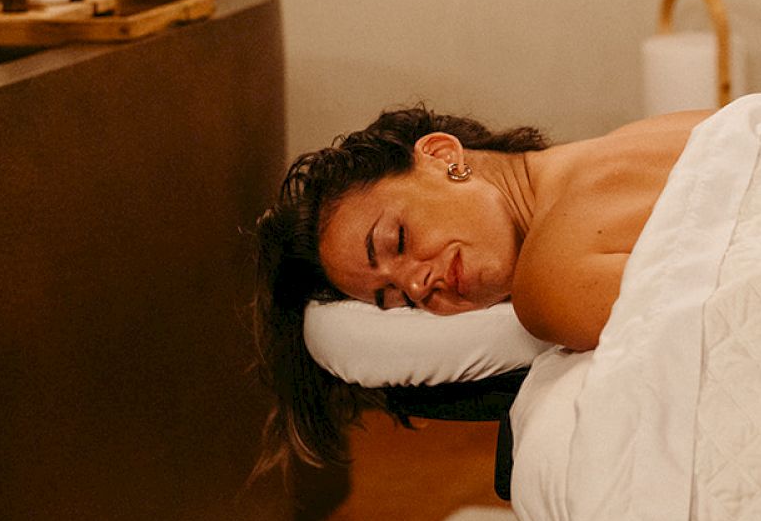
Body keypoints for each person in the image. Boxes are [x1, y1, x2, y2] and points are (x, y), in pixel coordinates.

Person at [254, 103, 706, 466]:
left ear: (442, 156)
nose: (417, 283)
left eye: (398, 240)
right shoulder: (654, 129)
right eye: (399, 300)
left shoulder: (552, 284)